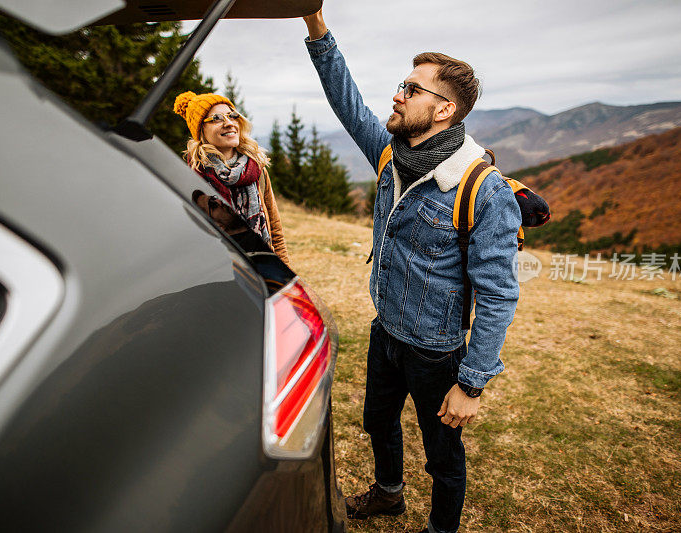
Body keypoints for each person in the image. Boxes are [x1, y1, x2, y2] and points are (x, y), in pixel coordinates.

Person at [303, 10, 521, 533]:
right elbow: (345, 99)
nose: (398, 95)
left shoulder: (482, 189)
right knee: (377, 422)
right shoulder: (390, 157)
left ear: (443, 108)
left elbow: (497, 295)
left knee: (442, 455)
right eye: (403, 84)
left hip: (437, 350)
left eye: (412, 88)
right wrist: (314, 20)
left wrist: (471, 383)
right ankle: (389, 494)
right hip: (388, 330)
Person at [174, 91, 290, 265]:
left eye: (232, 116)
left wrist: (284, 270)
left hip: (264, 264)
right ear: (201, 130)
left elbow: (275, 229)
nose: (229, 123)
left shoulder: (256, 169)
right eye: (216, 119)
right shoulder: (193, 178)